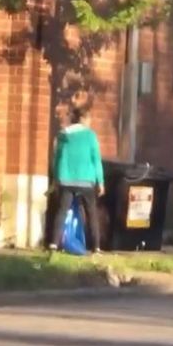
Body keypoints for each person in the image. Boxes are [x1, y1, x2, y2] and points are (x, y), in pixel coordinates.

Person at [49, 106, 104, 254]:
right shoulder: (90, 135)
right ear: (84, 119)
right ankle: (96, 246)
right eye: (89, 119)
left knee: (61, 211)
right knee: (91, 212)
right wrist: (101, 181)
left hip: (66, 179)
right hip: (86, 179)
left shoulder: (63, 135)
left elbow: (57, 159)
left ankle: (54, 243)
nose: (90, 122)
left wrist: (55, 180)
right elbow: (96, 160)